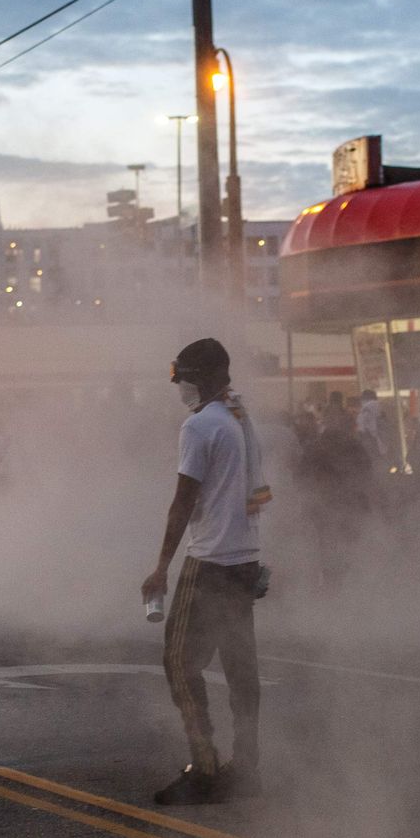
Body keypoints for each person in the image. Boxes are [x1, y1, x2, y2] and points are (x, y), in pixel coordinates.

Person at [141, 338, 271, 806]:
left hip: (211, 560)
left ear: (207, 380)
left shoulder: (200, 427)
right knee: (241, 671)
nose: (182, 390)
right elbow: (256, 493)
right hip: (242, 558)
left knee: (179, 661)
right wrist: (252, 546)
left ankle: (205, 767)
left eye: (187, 380)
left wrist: (161, 569)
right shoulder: (240, 417)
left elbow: (184, 501)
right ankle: (247, 769)